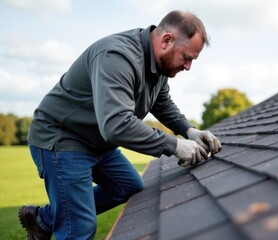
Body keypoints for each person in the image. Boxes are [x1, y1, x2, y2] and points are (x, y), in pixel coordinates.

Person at [18, 10, 221, 240]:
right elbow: (116, 124)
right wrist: (175, 145)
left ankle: (42, 220)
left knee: (128, 186)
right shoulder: (116, 56)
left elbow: (162, 103)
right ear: (166, 41)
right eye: (187, 58)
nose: (187, 67)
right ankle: (62, 219)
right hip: (63, 139)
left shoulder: (159, 66)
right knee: (80, 229)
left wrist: (190, 131)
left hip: (95, 142)